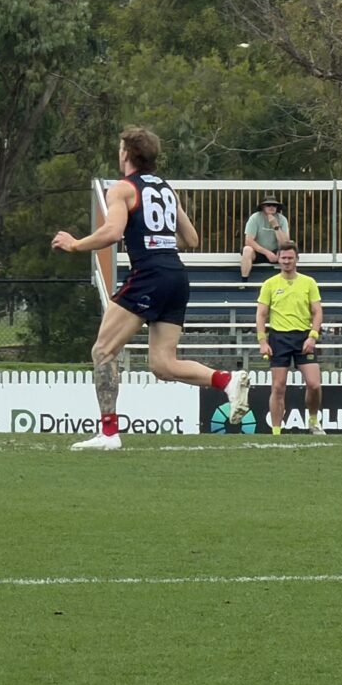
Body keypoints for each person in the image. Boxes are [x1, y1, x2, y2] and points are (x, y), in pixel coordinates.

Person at [51, 126, 251, 451]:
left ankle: (109, 433)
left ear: (127, 154)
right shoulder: (165, 189)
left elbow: (112, 232)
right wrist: (156, 239)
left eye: (120, 148)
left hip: (149, 274)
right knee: (162, 364)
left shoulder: (122, 189)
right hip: (176, 276)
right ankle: (226, 381)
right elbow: (191, 239)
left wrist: (75, 245)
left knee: (103, 351)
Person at [255, 242, 326, 435]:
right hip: (279, 338)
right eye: (283, 258)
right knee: (278, 387)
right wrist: (262, 341)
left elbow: (317, 312)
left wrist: (312, 336)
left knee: (314, 384)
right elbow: (261, 314)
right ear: (278, 259)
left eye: (290, 258)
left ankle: (313, 420)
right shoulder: (270, 284)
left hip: (303, 337)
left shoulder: (308, 282)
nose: (286, 261)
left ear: (297, 259)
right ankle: (276, 431)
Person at [240, 196, 290, 280]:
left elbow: (285, 243)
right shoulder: (255, 218)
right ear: (263, 207)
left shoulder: (282, 219)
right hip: (258, 252)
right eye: (268, 205)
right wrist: (267, 253)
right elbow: (248, 241)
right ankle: (244, 282)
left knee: (289, 250)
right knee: (247, 250)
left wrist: (275, 225)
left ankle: (288, 280)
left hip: (276, 253)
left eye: (274, 205)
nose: (271, 207)